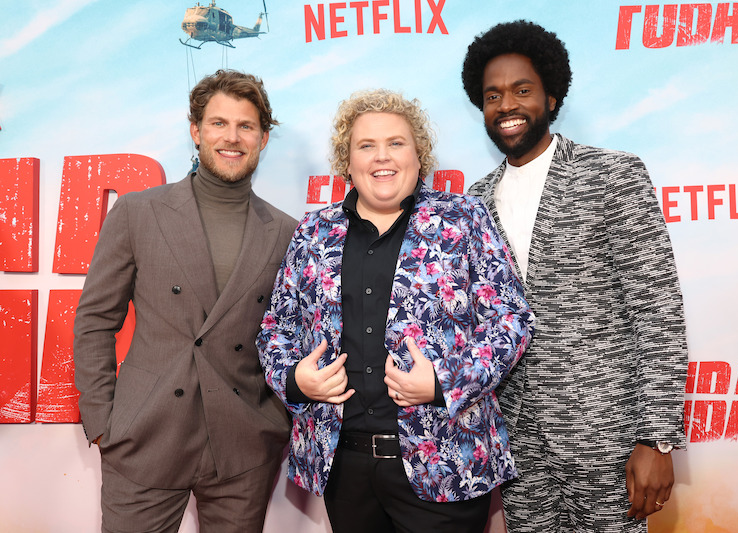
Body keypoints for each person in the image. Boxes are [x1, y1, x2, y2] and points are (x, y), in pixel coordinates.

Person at [257, 89, 534, 533]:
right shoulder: (313, 232)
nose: (381, 157)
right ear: (347, 162)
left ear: (419, 155)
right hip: (342, 466)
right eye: (366, 145)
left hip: (447, 462)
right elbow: (275, 328)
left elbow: (511, 320)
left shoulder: (463, 219)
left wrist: (445, 383)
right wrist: (295, 380)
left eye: (396, 143)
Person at [462, 20, 688, 532]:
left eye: (522, 89)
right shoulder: (473, 202)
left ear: (553, 95)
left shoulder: (612, 174)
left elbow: (656, 308)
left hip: (607, 438)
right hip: (518, 446)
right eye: (492, 95)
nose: (507, 106)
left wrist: (657, 438)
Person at [73, 69, 297, 533]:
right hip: (145, 436)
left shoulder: (288, 232)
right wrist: (102, 420)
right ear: (196, 131)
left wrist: (272, 422)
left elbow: (293, 336)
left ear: (263, 137)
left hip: (243, 443)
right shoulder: (139, 212)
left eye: (246, 126)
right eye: (218, 123)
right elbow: (96, 319)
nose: (231, 138)